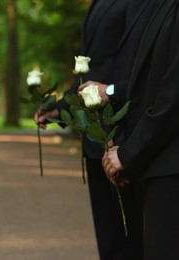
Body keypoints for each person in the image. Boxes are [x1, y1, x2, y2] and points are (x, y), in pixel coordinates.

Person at [35, 1, 147, 259]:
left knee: (132, 238)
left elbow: (142, 68)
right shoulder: (97, 5)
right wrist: (61, 108)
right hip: (95, 136)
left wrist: (114, 97)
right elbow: (89, 70)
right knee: (109, 238)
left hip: (125, 134)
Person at [103, 0, 179, 258]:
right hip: (156, 161)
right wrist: (126, 146)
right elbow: (145, 84)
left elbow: (172, 98)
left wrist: (129, 153)